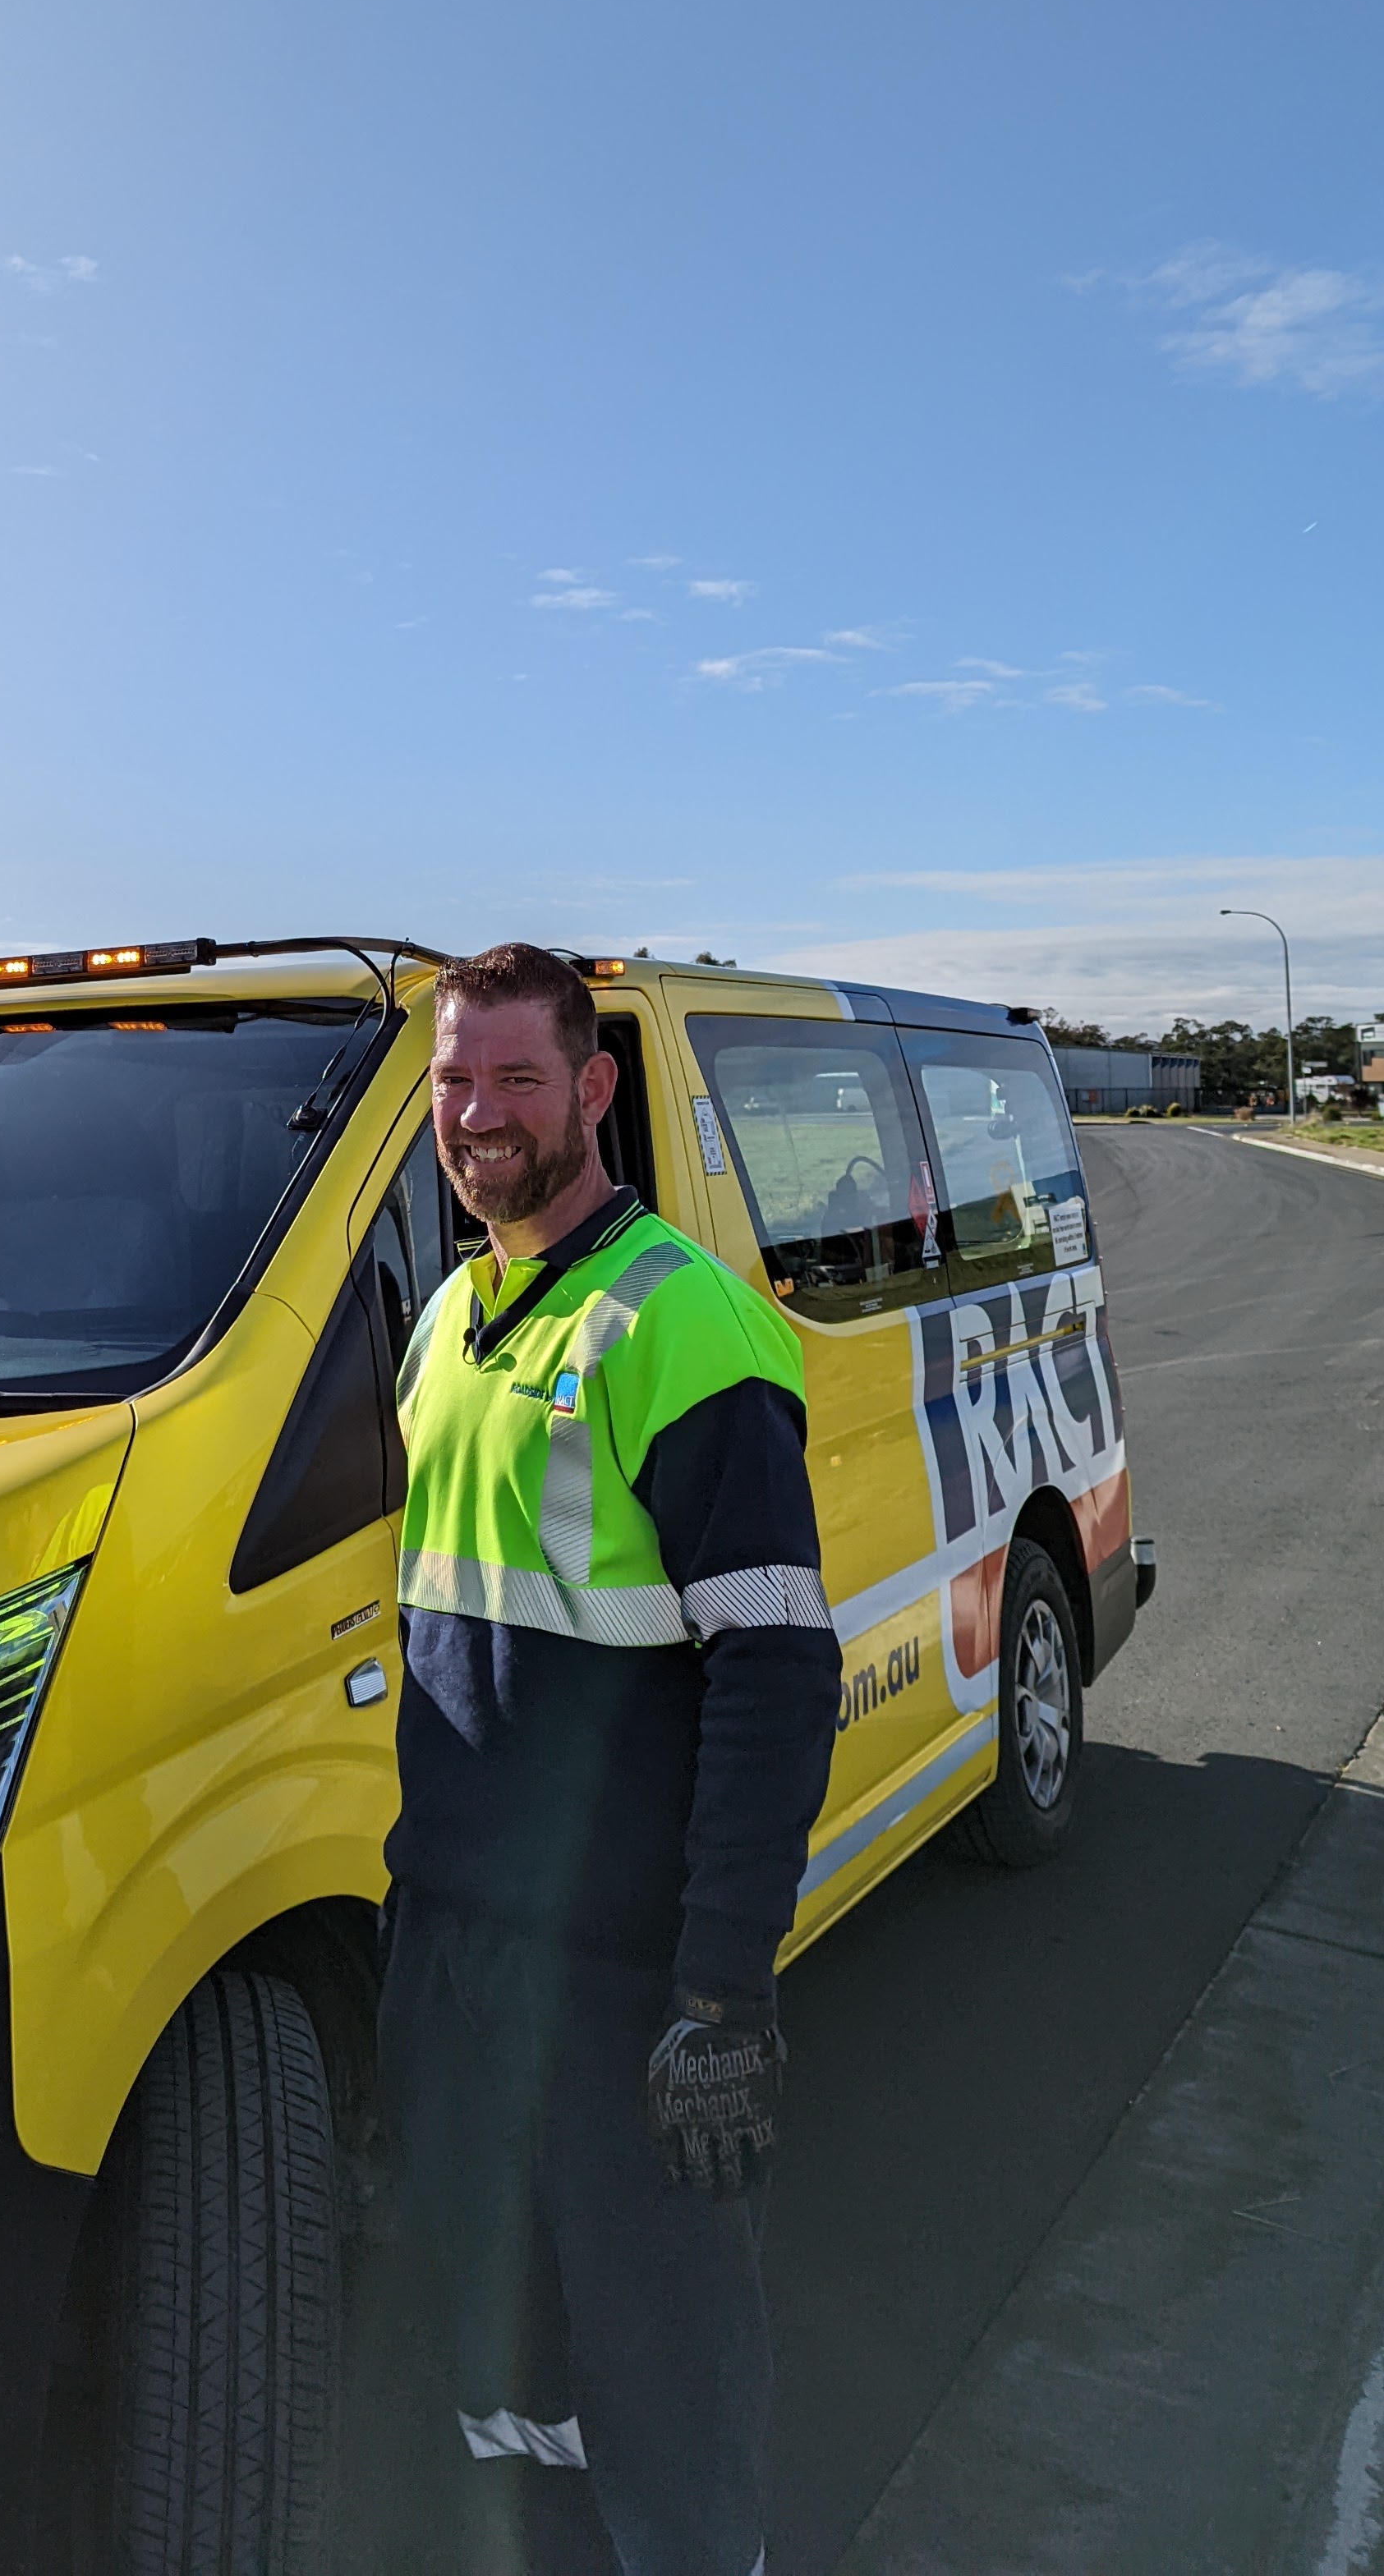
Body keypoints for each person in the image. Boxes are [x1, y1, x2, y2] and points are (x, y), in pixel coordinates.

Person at [379, 943, 842, 2576]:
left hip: (625, 1969)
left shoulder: (682, 1320)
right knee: (493, 2337)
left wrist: (724, 1990)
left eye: (514, 1077)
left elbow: (779, 1680)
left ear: (591, 1090)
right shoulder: (448, 1322)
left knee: (663, 2358)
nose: (477, 1112)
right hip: (460, 1944)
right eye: (453, 1080)